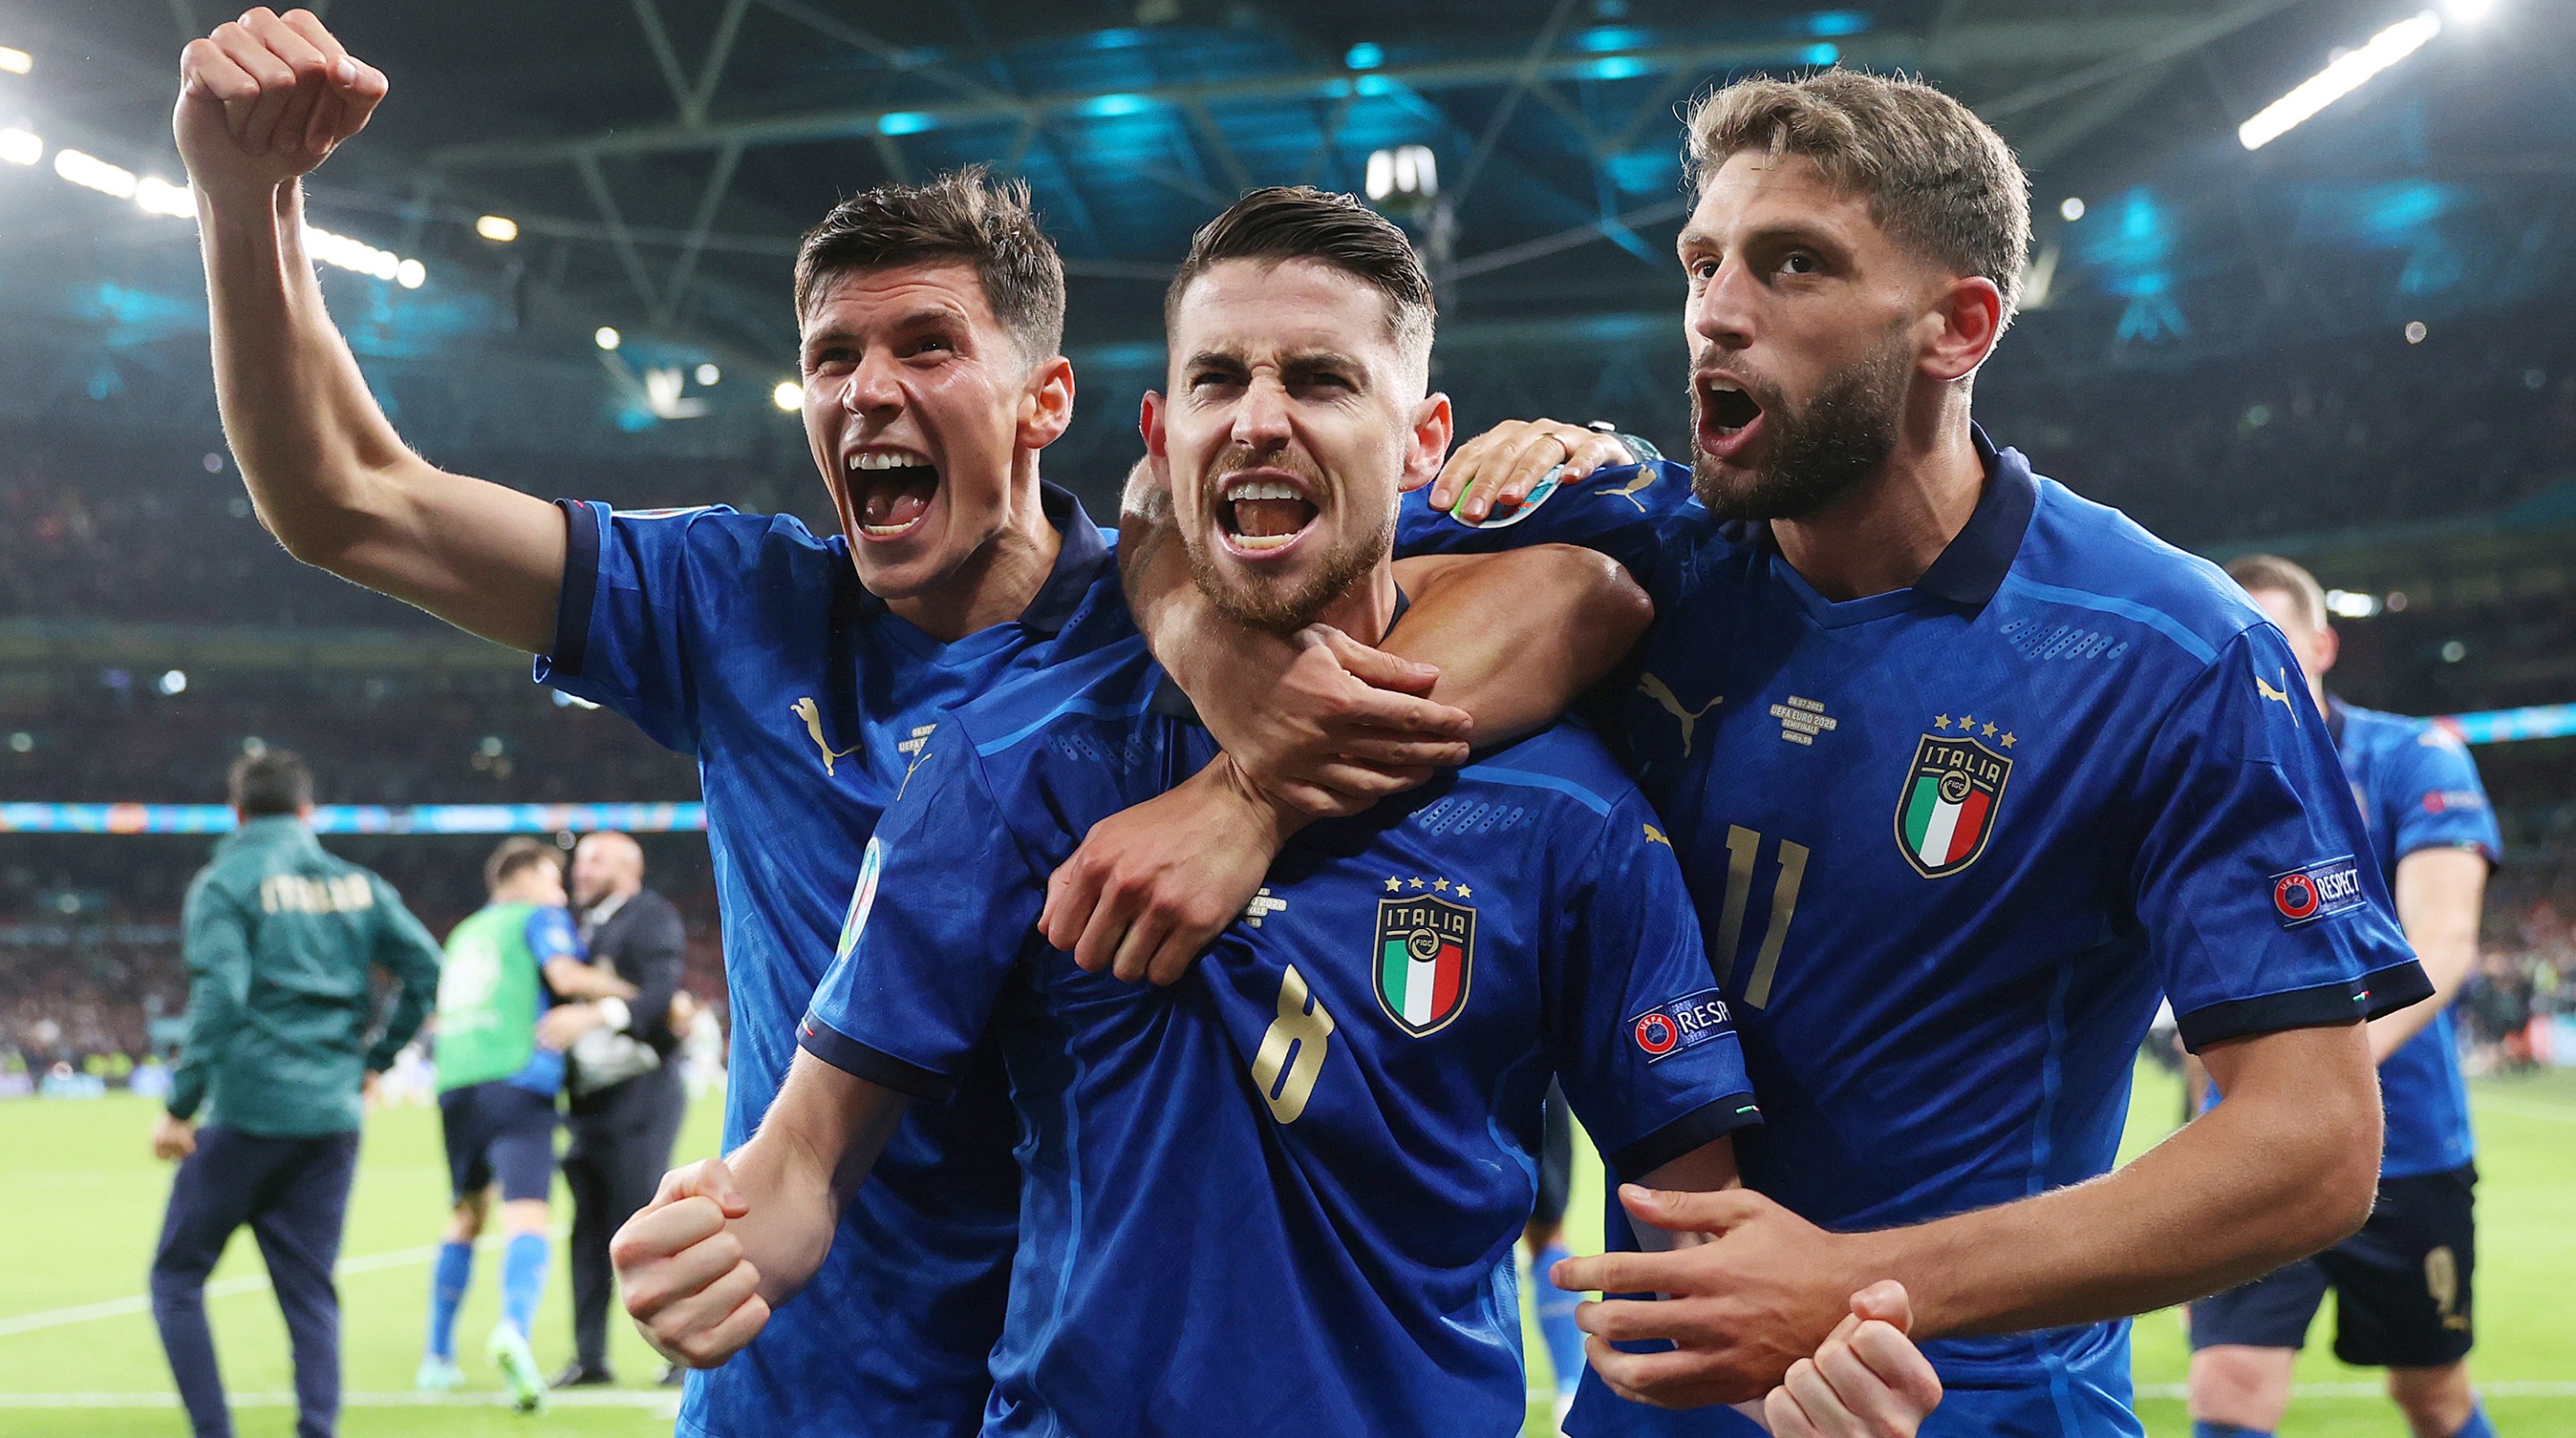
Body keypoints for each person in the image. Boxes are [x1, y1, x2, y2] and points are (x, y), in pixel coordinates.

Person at [176, 15, 1639, 1434]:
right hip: (791, 1376)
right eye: (830, 356)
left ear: (1044, 397)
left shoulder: (1189, 613)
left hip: (1069, 1383)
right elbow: (344, 497)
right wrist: (249, 202)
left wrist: (1240, 735)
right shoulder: (733, 605)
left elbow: (1575, 587)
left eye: (928, 346)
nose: (867, 389)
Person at [614, 185, 1945, 1438]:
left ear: (1425, 443)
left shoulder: (1567, 814)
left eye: (1319, 380)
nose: (1259, 421)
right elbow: (802, 1160)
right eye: (1218, 382)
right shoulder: (1000, 768)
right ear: (1160, 440)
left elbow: (1696, 1228)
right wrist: (733, 1231)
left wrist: (1795, 1367)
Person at [1276, 69, 2426, 1434]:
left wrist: (1854, 1282)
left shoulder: (2173, 651)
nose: (1715, 309)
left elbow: (2313, 1145)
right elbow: (1195, 573)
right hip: (1654, 1403)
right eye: (1703, 261)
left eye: (1793, 265)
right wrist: (1244, 794)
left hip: (1966, 1402)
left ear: (1960, 326)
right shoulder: (1646, 537)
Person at [2184, 555, 2500, 1438]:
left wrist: (2304, 1071)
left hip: (2406, 1146)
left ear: (2321, 646)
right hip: (2247, 1144)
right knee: (2228, 1389)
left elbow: (2444, 939)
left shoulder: (2413, 756)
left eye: (2273, 638)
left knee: (2431, 1397)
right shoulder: (2204, 776)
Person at [149, 749, 443, 1438]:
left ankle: (213, 1430)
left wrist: (179, 1105)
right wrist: (378, 1056)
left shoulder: (225, 882)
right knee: (310, 1293)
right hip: (331, 1116)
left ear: (237, 812)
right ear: (309, 813)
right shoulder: (359, 885)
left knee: (177, 1276)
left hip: (247, 1109)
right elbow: (426, 967)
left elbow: (222, 993)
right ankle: (317, 1429)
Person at [417, 838, 629, 1410]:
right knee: (527, 1213)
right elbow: (564, 976)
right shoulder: (539, 916)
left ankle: (436, 1357)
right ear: (529, 875)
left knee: (465, 1210)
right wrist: (634, 994)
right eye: (554, 878)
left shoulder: (465, 932)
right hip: (517, 1076)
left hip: (456, 1080)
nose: (560, 891)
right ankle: (514, 1329)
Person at [546, 832, 691, 1391]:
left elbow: (662, 993)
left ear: (631, 866)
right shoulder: (580, 926)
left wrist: (594, 1014)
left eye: (594, 859)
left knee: (644, 1222)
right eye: (578, 860)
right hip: (588, 1100)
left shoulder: (649, 914)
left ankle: (684, 1356)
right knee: (587, 1230)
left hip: (640, 1091)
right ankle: (590, 1357)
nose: (580, 869)